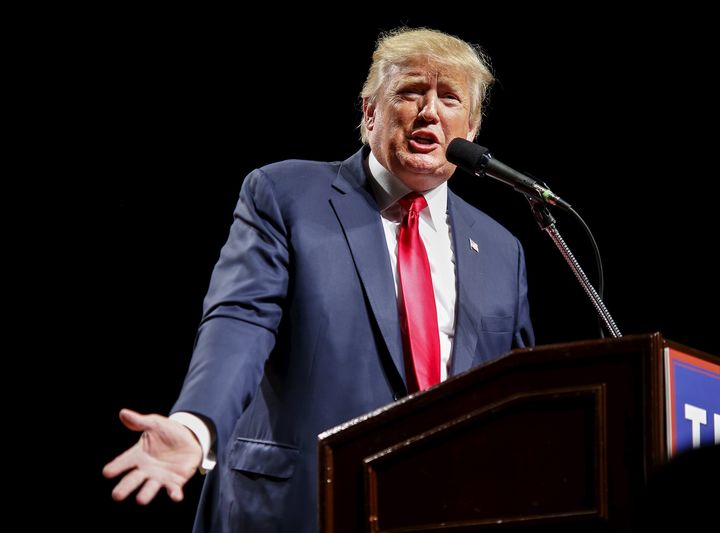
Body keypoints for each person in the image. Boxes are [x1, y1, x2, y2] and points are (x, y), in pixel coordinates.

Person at [103, 26, 534, 532]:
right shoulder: (286, 196)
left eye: (449, 98)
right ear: (369, 111)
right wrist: (197, 425)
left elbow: (515, 395)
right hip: (300, 507)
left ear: (472, 128)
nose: (430, 112)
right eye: (411, 92)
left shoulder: (503, 249)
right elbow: (240, 323)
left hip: (440, 512)